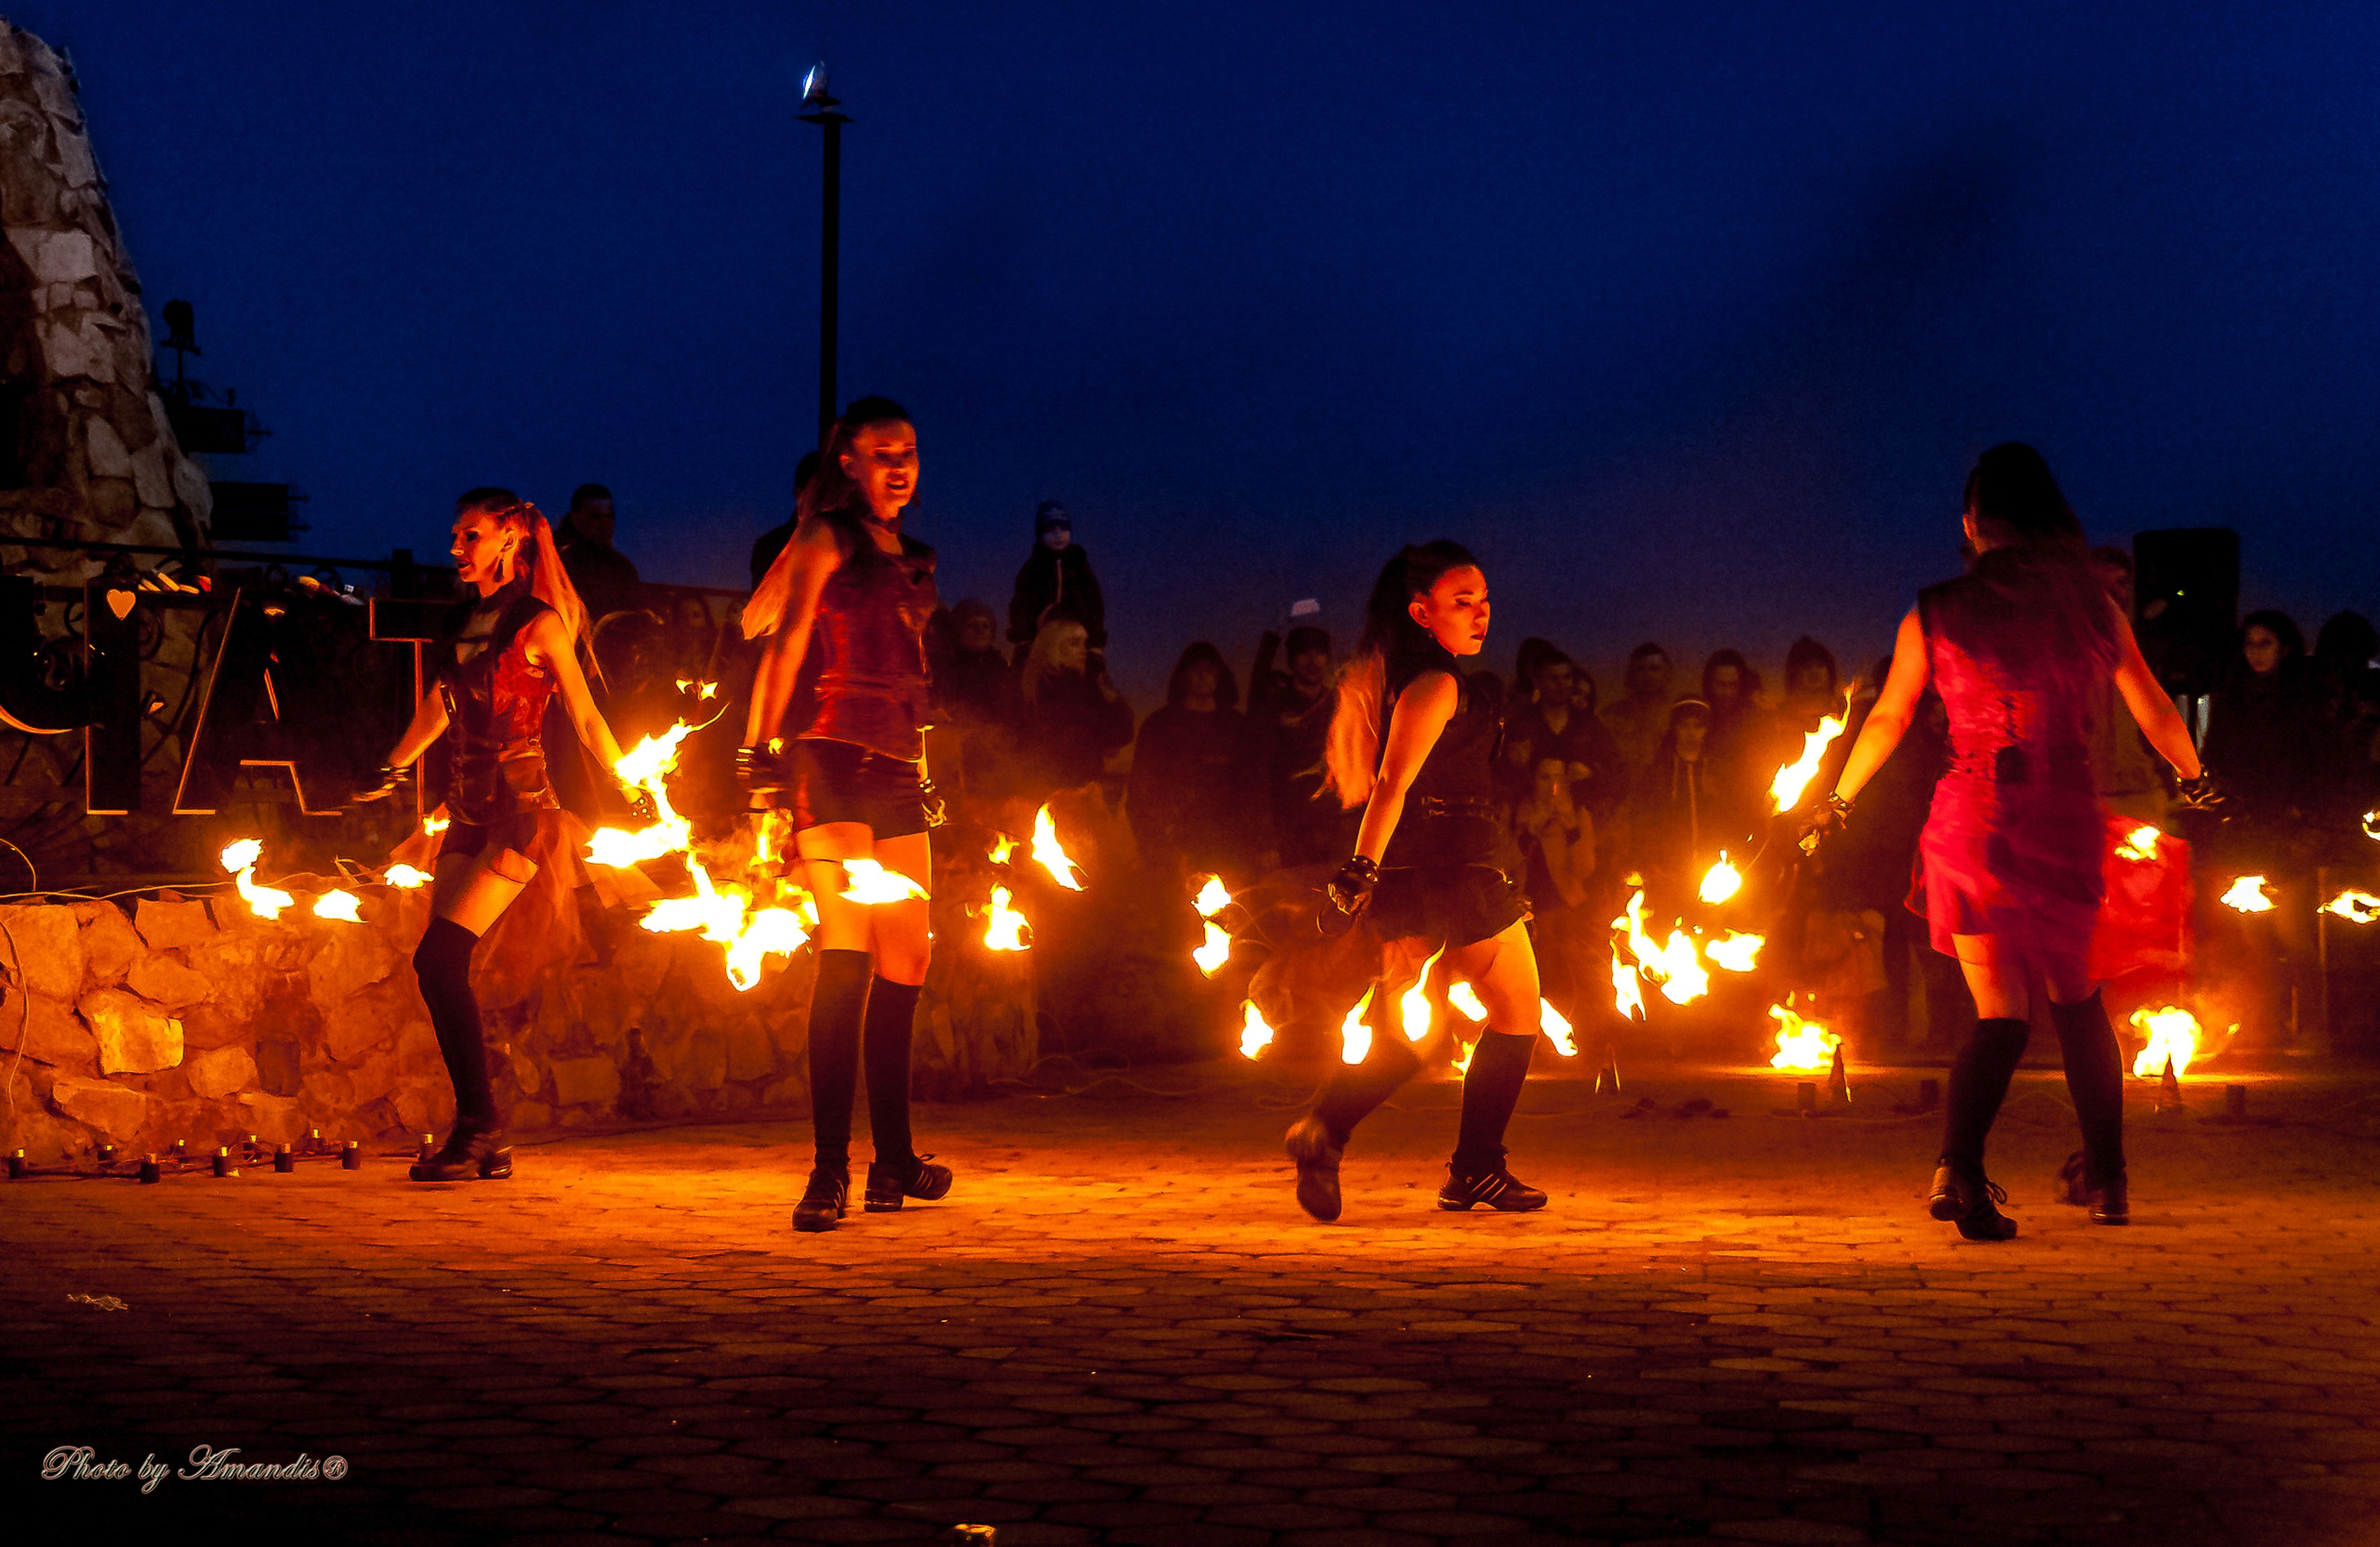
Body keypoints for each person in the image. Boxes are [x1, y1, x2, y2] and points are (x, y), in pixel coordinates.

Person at [1806, 443, 2203, 1239]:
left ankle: (1957, 1169)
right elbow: (2154, 705)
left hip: (1971, 817)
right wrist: (2197, 777)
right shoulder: (2091, 607)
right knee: (2077, 1003)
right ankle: (2109, 1181)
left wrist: (1838, 799)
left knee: (2000, 1015)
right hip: (2059, 813)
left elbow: (1888, 715)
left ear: (1971, 524)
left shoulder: (1935, 610)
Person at [355, 490, 653, 1183]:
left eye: (471, 535)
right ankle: (483, 1131)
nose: (456, 547)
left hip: (522, 816)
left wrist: (630, 782)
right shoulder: (461, 619)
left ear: (509, 540)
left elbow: (584, 715)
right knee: (441, 970)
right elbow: (441, 703)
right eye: (456, 535)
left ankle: (480, 1128)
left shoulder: (538, 624)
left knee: (438, 960)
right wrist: (393, 765)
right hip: (466, 815)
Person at [1282, 541, 1551, 1221]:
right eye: (1462, 602)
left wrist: (1371, 872)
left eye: (1483, 600)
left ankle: (1327, 1129)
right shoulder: (1437, 684)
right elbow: (1391, 784)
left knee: (1418, 1031)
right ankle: (1475, 1168)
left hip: (1426, 876)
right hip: (1452, 875)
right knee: (1517, 1011)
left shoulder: (1411, 678)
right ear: (1421, 612)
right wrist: (1360, 870)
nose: (1480, 614)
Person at [740, 396, 953, 1234]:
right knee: (847, 953)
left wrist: (926, 771)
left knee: (909, 959)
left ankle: (892, 1159)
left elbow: (914, 674)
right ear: (849, 463)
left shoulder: (916, 556)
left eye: (910, 452)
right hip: (830, 762)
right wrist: (756, 759)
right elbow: (788, 640)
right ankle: (827, 1168)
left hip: (898, 770)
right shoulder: (828, 537)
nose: (900, 466)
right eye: (882, 453)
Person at [1128, 642, 1267, 879]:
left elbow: (1254, 787)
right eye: (1195, 669)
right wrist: (1151, 843)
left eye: (1209, 669)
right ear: (1183, 675)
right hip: (1175, 846)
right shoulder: (1160, 727)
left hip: (1230, 846)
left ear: (1219, 675)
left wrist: (1263, 841)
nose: (1202, 676)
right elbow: (1140, 792)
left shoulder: (1237, 728)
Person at [1254, 626, 1353, 868]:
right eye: (1304, 653)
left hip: (1332, 827)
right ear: (1291, 661)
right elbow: (1256, 774)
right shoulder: (1273, 709)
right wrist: (1265, 840)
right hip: (1286, 828)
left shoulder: (1339, 706)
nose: (1312, 661)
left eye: (1319, 653)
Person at [1015, 615, 1132, 798]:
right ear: (1053, 648)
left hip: (1083, 790)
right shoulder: (1035, 690)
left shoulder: (1089, 688)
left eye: (1084, 643)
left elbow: (1119, 736)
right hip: (1041, 789)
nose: (1083, 650)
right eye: (1074, 643)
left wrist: (1113, 701)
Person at [1007, 501, 1106, 660]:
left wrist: (1095, 644)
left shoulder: (1080, 567)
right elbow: (1020, 605)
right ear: (1040, 534)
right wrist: (1023, 640)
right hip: (1039, 640)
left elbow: (1094, 605)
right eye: (1051, 530)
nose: (1058, 535)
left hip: (1077, 640)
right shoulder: (1032, 568)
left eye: (1063, 529)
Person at [555, 483, 643, 627]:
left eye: (609, 516)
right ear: (576, 518)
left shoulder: (622, 567)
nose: (605, 524)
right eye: (595, 517)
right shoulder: (559, 565)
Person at [1600, 642, 1675, 783]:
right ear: (1631, 674)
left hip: (1668, 790)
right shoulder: (1611, 717)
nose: (1647, 675)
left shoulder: (1677, 715)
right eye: (1640, 669)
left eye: (1654, 669)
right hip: (1622, 791)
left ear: (1666, 674)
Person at [748, 452, 822, 588]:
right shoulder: (770, 547)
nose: (828, 501)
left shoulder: (769, 545)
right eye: (820, 492)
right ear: (799, 494)